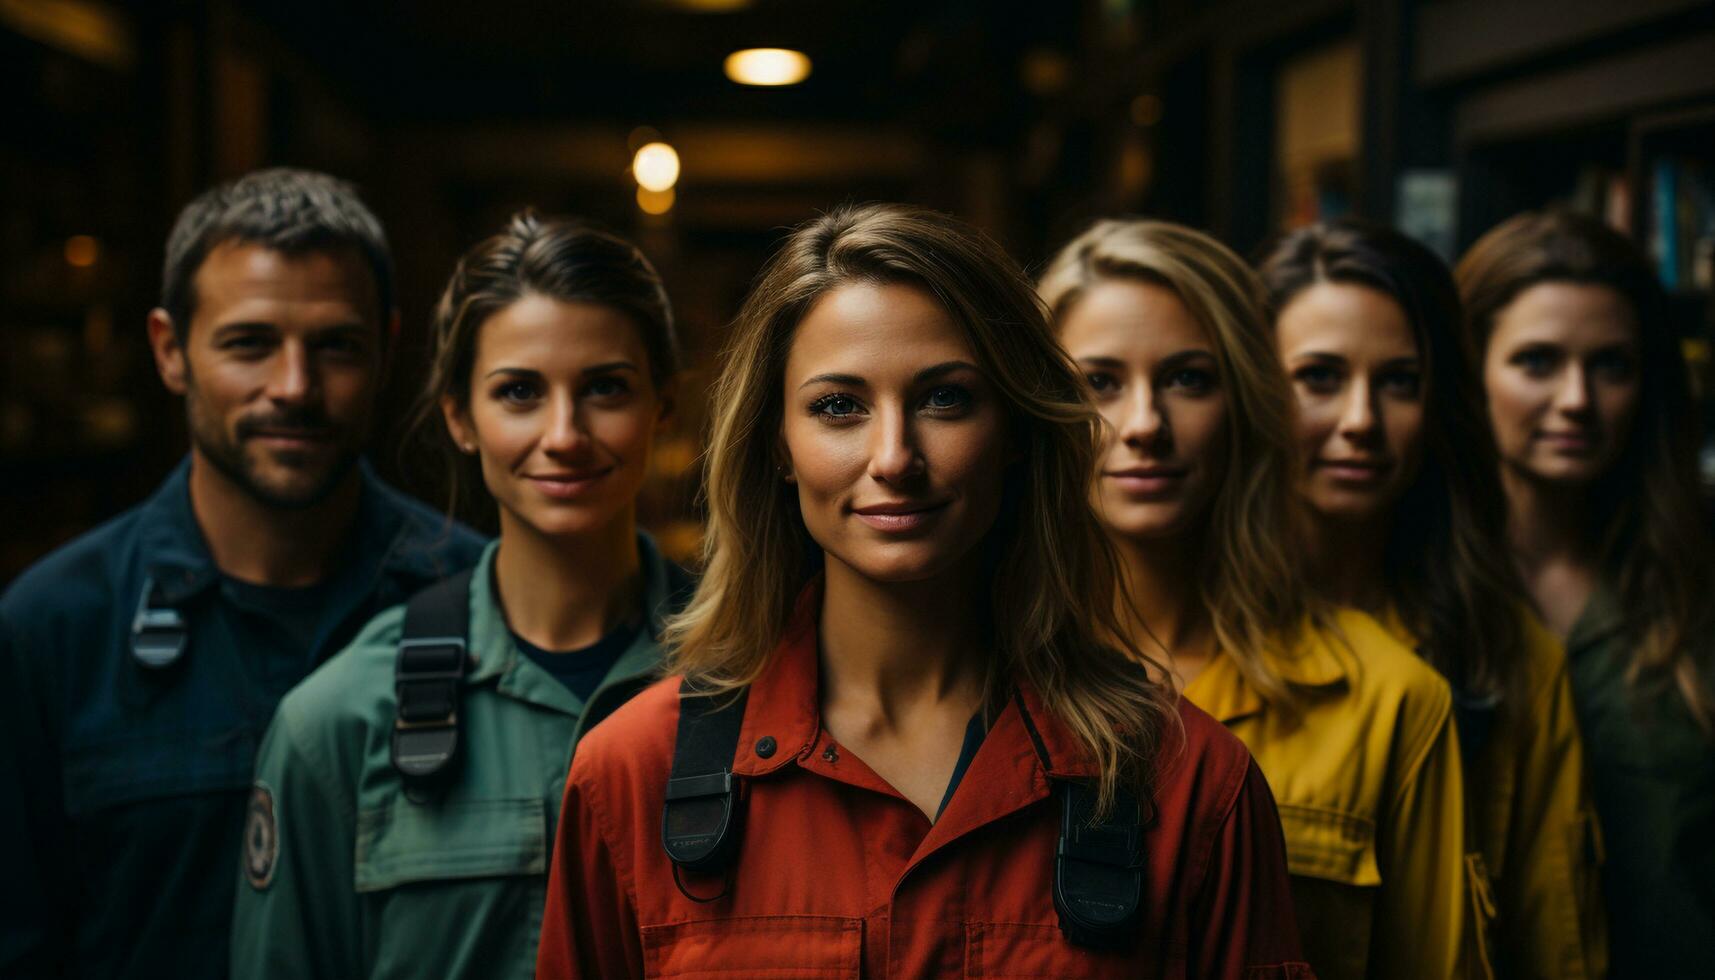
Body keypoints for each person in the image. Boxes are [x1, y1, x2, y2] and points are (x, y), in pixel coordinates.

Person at [536, 204, 1310, 978]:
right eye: (839, 406)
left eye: (945, 398)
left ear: (1014, 429)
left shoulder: (1189, 784)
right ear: (777, 443)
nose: (894, 456)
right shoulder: (631, 774)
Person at [0, 168, 485, 978]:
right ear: (169, 351)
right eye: (249, 343)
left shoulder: (476, 600)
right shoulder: (52, 629)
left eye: (335, 345)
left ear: (387, 351)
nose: (293, 387)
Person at [229, 212, 688, 977]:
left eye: (606, 387)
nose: (565, 433)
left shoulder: (762, 678)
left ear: (662, 407)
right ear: (458, 416)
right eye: (518, 392)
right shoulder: (341, 722)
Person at [1040, 218, 1466, 980]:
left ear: (1244, 404)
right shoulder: (970, 674)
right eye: (1099, 383)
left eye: (1188, 379)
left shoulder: (1391, 699)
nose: (1144, 426)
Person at [1258, 219, 1606, 979]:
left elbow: (1552, 939)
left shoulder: (1505, 655)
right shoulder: (1191, 629)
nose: (1360, 421)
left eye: (1397, 382)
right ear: (1255, 391)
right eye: (1318, 377)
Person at [1457, 209, 1715, 977]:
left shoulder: (1692, 579)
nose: (1576, 399)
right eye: (1536, 361)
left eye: (1609, 365)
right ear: (1470, 369)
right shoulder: (1419, 585)